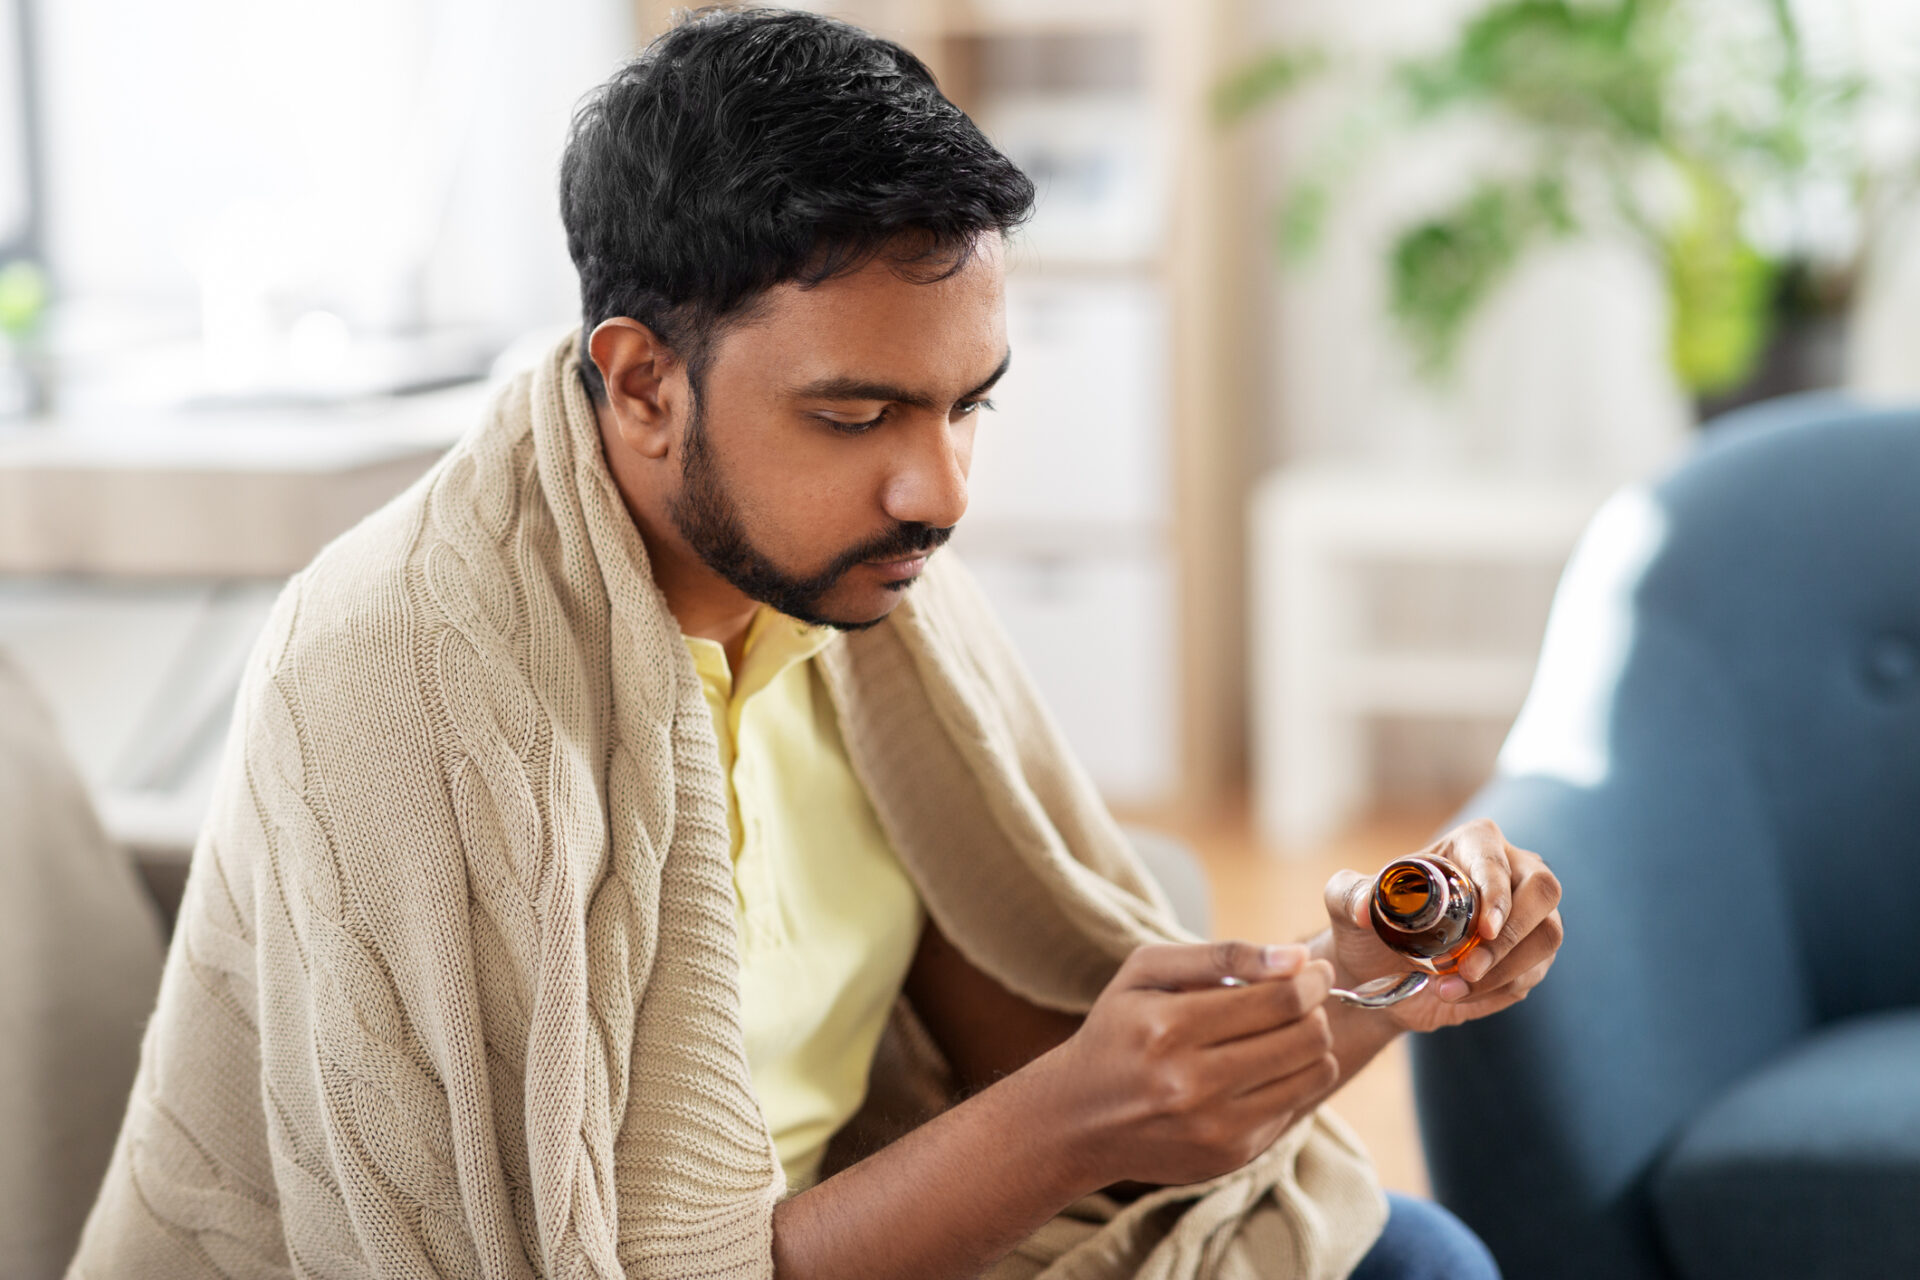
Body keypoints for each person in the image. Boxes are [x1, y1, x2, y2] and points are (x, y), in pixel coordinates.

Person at [70, 9, 1561, 1279]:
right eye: (856, 415)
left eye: (967, 402)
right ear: (642, 382)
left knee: (1409, 1254)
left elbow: (1028, 1059)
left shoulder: (860, 593)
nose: (941, 490)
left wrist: (1375, 978)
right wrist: (1082, 1117)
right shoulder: (408, 681)